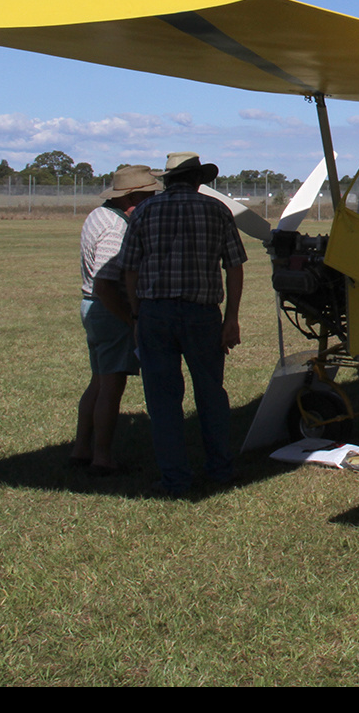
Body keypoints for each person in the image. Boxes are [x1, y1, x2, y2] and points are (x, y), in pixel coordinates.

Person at [117, 152, 247, 496]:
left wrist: (136, 313)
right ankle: (220, 468)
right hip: (202, 315)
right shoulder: (217, 211)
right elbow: (234, 266)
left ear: (168, 180)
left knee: (162, 400)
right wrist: (231, 317)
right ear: (197, 181)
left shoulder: (144, 211)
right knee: (211, 394)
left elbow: (129, 268)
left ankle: (175, 478)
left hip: (155, 314)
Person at [72, 164, 162, 475]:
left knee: (98, 381)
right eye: (148, 195)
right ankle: (102, 456)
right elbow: (105, 283)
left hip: (93, 309)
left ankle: (82, 448)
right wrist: (131, 318)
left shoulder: (98, 215)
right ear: (132, 197)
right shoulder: (116, 227)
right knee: (112, 386)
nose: (151, 200)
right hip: (108, 311)